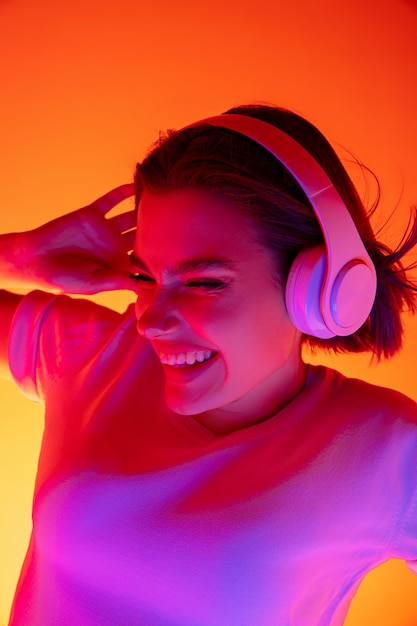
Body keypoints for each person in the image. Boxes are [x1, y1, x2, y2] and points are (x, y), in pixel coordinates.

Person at [1, 104, 417, 626]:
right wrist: (18, 256)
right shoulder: (91, 355)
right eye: (144, 275)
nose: (151, 320)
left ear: (319, 288)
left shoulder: (388, 448)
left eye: (203, 283)